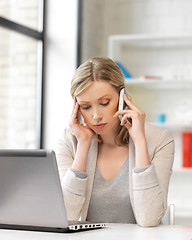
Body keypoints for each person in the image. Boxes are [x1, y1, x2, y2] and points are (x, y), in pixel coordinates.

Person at [56, 57, 174, 227]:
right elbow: (66, 216)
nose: (96, 116)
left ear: (122, 98)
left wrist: (140, 141)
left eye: (104, 103)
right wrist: (83, 145)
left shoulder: (160, 140)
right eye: (86, 107)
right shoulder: (69, 141)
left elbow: (149, 219)